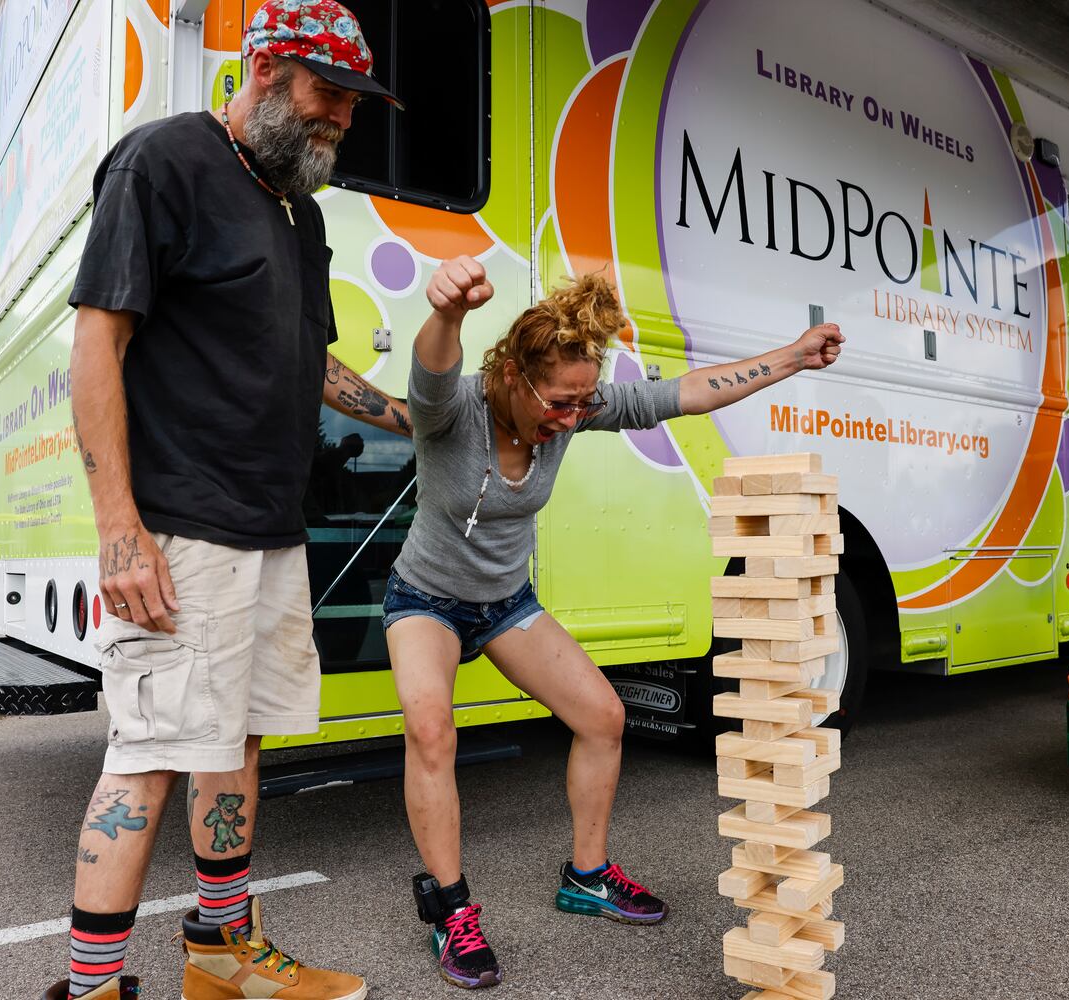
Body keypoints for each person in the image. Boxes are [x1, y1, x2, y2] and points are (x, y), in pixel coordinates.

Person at [49, 3, 410, 999]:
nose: (340, 120)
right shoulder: (162, 162)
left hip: (267, 526)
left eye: (352, 104)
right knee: (149, 753)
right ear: (264, 69)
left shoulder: (301, 210)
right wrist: (120, 531)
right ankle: (92, 988)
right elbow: (98, 340)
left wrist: (405, 415)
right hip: (177, 524)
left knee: (238, 739)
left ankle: (220, 950)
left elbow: (309, 358)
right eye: (327, 95)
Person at [385, 255, 845, 988]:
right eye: (561, 403)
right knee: (431, 729)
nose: (573, 418)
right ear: (512, 376)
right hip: (426, 598)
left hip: (505, 601)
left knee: (602, 716)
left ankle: (588, 875)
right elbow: (431, 372)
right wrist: (447, 313)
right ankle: (450, 910)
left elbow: (683, 394)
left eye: (583, 402)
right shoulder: (456, 409)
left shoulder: (573, 407)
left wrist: (793, 355)